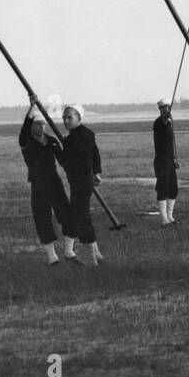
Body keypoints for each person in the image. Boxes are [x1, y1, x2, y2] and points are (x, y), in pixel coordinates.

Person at [18, 101, 73, 264]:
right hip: (38, 184)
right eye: (37, 124)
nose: (40, 127)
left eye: (42, 124)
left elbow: (64, 160)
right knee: (42, 217)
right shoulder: (25, 141)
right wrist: (32, 107)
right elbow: (24, 128)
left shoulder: (51, 140)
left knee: (66, 213)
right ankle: (52, 257)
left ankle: (69, 252)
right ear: (31, 126)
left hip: (54, 182)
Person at [60, 105, 103, 266]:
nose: (65, 120)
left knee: (82, 218)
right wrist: (96, 172)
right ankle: (96, 254)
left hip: (80, 184)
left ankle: (91, 260)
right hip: (85, 182)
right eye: (64, 117)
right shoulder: (88, 133)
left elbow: (67, 163)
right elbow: (95, 155)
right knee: (83, 215)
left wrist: (58, 150)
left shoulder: (73, 139)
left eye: (69, 117)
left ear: (79, 118)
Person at [152, 98, 178, 226]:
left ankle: (170, 216)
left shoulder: (169, 122)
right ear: (160, 109)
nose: (166, 110)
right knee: (162, 188)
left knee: (173, 188)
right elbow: (162, 120)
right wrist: (165, 118)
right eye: (163, 108)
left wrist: (174, 159)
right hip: (161, 161)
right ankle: (163, 219)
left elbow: (171, 144)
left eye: (168, 107)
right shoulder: (159, 122)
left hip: (170, 160)